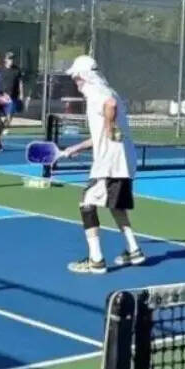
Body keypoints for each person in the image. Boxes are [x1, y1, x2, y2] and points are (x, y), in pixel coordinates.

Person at [57, 55, 144, 274]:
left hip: (110, 163)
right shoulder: (108, 90)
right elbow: (102, 135)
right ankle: (134, 250)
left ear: (84, 76)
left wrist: (109, 124)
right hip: (124, 161)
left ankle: (96, 260)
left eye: (76, 77)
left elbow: (109, 106)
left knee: (86, 203)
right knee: (116, 205)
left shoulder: (97, 92)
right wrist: (76, 148)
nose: (75, 81)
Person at [0, 51, 25, 134]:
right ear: (5, 59)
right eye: (9, 59)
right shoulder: (1, 69)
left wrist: (22, 94)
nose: (11, 60)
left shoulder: (17, 70)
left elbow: (20, 82)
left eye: (12, 59)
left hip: (13, 96)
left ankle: (4, 128)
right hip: (2, 96)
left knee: (10, 115)